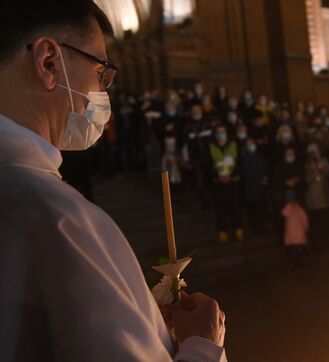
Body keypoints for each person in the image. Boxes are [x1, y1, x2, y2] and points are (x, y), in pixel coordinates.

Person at [0, 1, 226, 360]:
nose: (104, 91)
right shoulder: (65, 224)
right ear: (48, 62)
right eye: (101, 71)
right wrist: (202, 343)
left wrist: (140, 320)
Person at [209, 124, 245, 242]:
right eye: (218, 132)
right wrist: (218, 176)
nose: (221, 134)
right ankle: (223, 231)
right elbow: (208, 164)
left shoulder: (234, 145)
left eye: (223, 131)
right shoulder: (211, 147)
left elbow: (239, 162)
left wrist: (231, 175)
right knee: (221, 207)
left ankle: (238, 229)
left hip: (233, 181)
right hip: (218, 183)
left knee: (236, 205)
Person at [304, 143, 329, 252]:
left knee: (325, 224)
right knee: (315, 225)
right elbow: (306, 179)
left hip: (325, 197)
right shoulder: (307, 164)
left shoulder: (324, 161)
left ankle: (326, 245)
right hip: (312, 200)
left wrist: (322, 169)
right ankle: (316, 247)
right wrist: (311, 171)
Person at [240, 138, 268, 234]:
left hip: (260, 187)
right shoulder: (244, 158)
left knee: (261, 206)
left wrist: (264, 177)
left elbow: (265, 168)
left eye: (252, 142)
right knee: (253, 208)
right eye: (249, 143)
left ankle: (261, 224)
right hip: (251, 187)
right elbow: (245, 173)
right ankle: (254, 226)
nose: (251, 145)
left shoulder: (259, 156)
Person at [282, 190, 309, 269]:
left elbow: (304, 218)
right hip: (291, 233)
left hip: (299, 232)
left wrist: (305, 227)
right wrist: (289, 205)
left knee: (299, 249)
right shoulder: (288, 208)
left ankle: (300, 262)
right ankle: (295, 263)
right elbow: (284, 213)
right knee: (293, 250)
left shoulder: (299, 208)